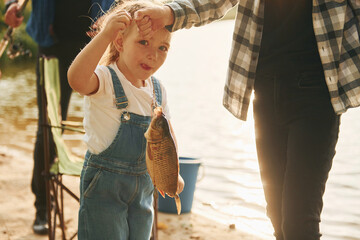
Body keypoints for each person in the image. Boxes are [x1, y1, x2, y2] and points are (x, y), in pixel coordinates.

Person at [134, 1, 360, 239]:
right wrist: (169, 13)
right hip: (264, 93)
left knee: (299, 222)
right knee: (276, 214)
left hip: (316, 96)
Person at [67, 0, 184, 239]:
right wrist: (105, 34)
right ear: (119, 42)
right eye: (143, 42)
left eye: (163, 48)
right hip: (104, 189)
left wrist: (173, 172)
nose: (153, 55)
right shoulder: (105, 79)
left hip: (143, 190)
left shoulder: (157, 89)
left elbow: (167, 137)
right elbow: (76, 79)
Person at [4, 0, 113, 235]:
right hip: (52, 44)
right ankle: (43, 208)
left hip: (101, 46)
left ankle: (113, 204)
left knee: (114, 124)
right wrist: (13, 5)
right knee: (49, 128)